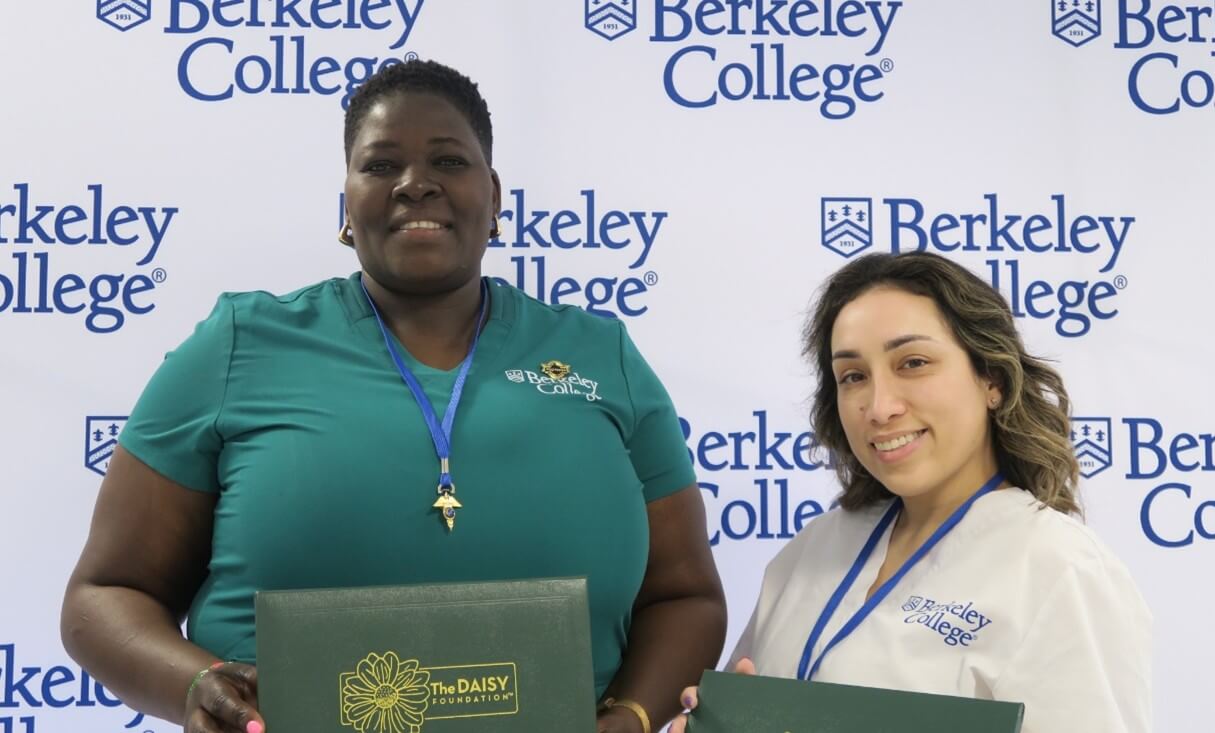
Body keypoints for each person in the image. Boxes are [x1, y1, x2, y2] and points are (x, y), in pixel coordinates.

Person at [61, 59, 726, 733]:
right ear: (346, 201)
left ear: (494, 196)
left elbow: (684, 595)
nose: (415, 185)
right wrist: (195, 685)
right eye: (380, 166)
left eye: (448, 161)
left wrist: (636, 717)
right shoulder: (239, 344)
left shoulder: (598, 354)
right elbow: (105, 596)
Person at [673, 252, 1151, 733]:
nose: (879, 408)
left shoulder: (1061, 571)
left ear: (994, 380)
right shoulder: (814, 548)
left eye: (914, 363)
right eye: (853, 376)